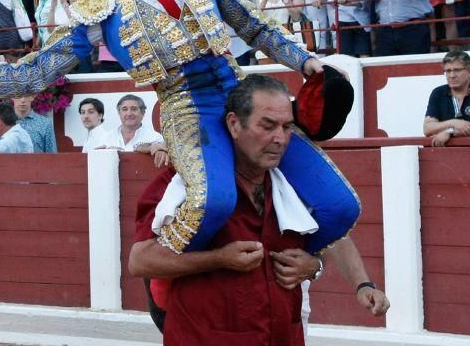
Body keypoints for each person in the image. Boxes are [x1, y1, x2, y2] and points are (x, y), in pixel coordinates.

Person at [0, 0, 359, 256]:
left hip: (242, 97)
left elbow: (254, 25)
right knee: (210, 203)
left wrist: (306, 62)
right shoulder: (97, 7)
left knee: (341, 207)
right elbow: (34, 74)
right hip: (187, 110)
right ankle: (170, 275)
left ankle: (284, 260)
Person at [129, 75, 361, 344]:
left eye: (287, 127)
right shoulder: (187, 183)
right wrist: (218, 259)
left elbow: (332, 241)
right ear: (234, 124)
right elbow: (141, 261)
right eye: (267, 126)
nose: (280, 139)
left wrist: (315, 266)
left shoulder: (295, 186)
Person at [424, 51, 470, 146]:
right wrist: (454, 123)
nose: (452, 75)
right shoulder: (438, 93)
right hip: (446, 155)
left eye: (457, 70)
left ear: (469, 71)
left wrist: (451, 132)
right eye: (448, 71)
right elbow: (428, 128)